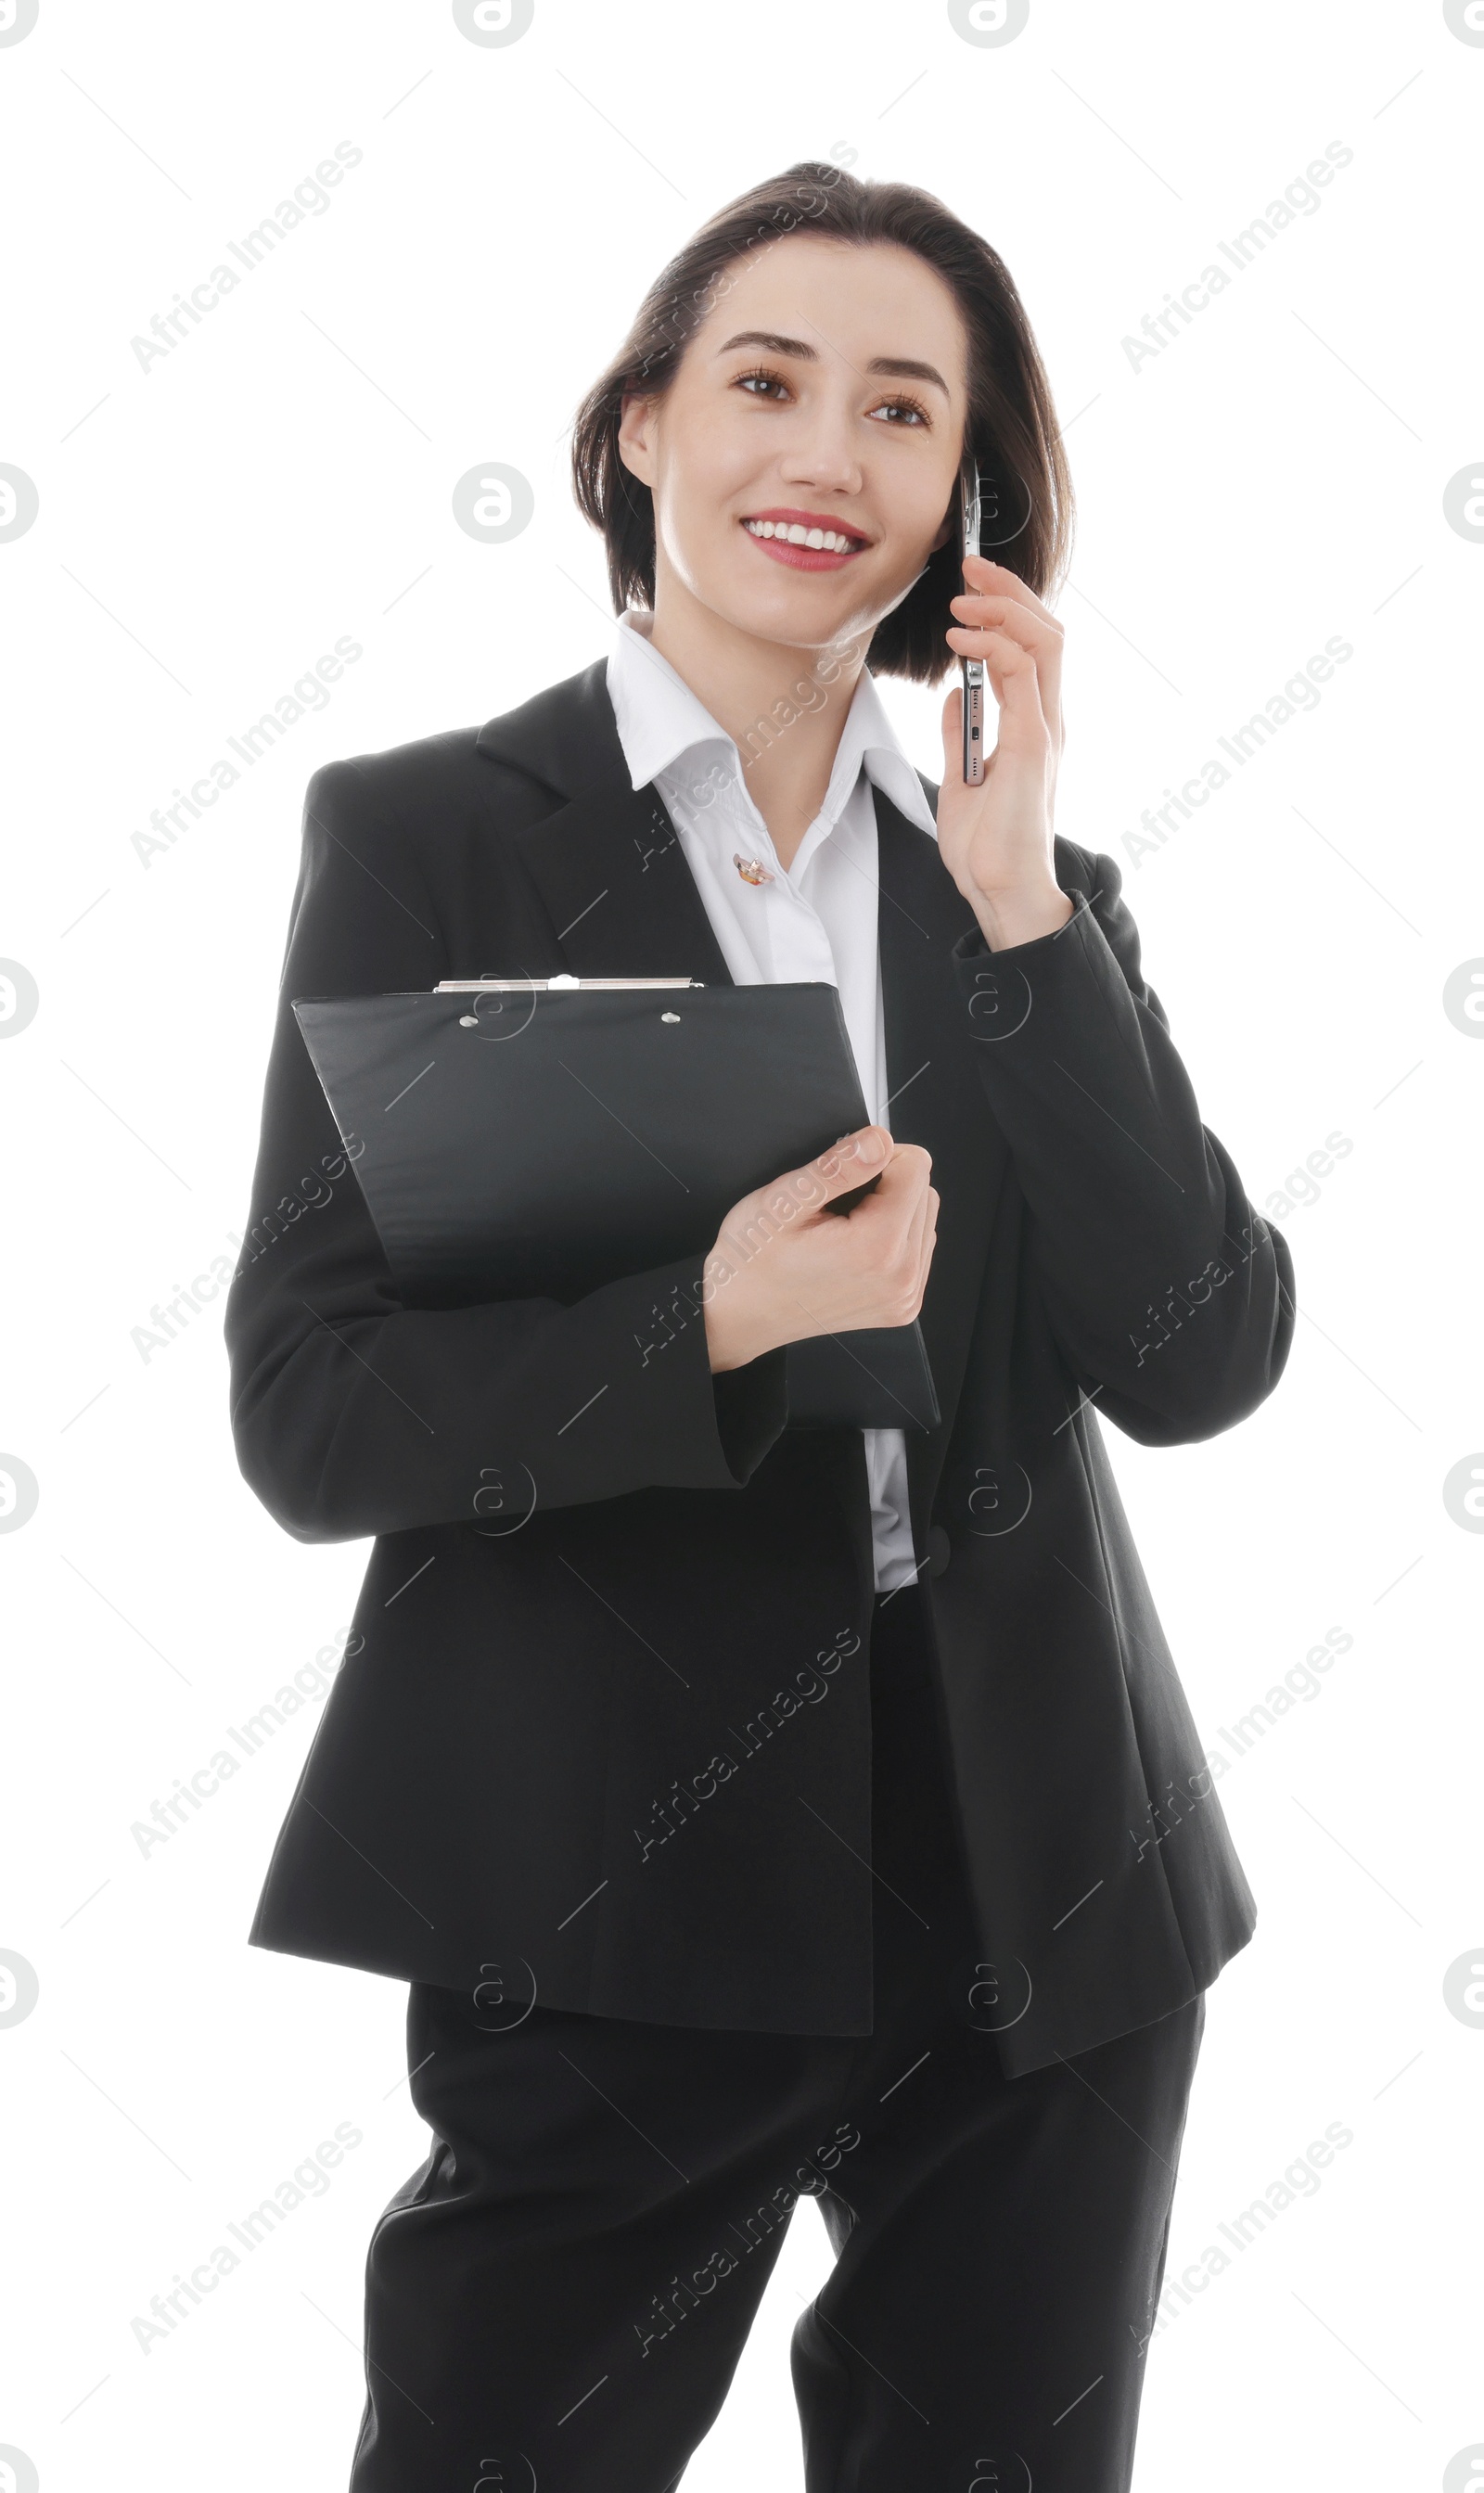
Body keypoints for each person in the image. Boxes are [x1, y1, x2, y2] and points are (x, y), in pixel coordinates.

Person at [225, 161, 1295, 2493]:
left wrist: (1020, 919)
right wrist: (705, 1316)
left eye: (903, 411)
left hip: (1037, 1883)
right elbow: (311, 1416)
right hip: (606, 1879)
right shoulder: (426, 836)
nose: (828, 453)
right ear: (634, 432)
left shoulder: (1028, 897)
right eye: (766, 382)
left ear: (964, 508)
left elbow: (1204, 1354)